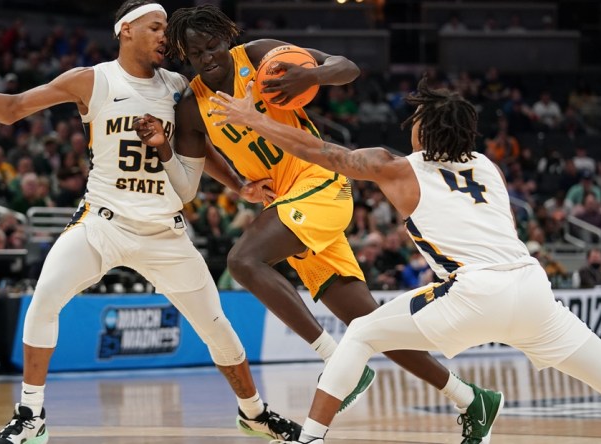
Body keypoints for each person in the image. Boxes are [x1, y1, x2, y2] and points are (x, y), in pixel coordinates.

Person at [208, 77, 601, 444]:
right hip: (532, 289)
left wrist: (254, 120)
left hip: (476, 292)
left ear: (424, 133)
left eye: (416, 121)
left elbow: (327, 155)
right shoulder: (488, 167)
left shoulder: (396, 168)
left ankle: (311, 439)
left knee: (361, 333)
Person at [0, 2, 300, 443]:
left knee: (216, 325)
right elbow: (14, 108)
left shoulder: (179, 86)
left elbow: (197, 146)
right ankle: (30, 416)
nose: (165, 37)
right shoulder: (92, 79)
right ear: (125, 30)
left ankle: (254, 414)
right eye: (156, 28)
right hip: (103, 221)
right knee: (43, 302)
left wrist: (237, 184)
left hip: (164, 229)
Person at [134, 6, 498, 437]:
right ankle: (470, 398)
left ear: (226, 39)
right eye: (196, 52)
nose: (208, 56)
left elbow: (347, 68)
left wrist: (311, 77)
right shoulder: (193, 107)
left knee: (243, 261)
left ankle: (334, 358)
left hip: (321, 182)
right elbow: (193, 169)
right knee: (369, 325)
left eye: (213, 45)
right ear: (185, 55)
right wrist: (235, 184)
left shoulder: (260, 56)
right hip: (287, 203)